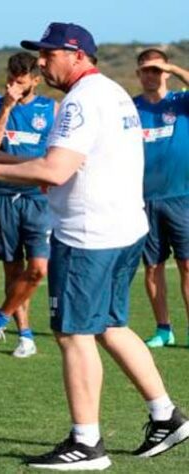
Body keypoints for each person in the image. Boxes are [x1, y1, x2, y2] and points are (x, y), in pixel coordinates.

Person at [0, 22, 189, 470]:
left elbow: (56, 172)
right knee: (110, 324)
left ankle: (87, 444)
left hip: (87, 235)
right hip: (123, 229)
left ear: (77, 55)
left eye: (49, 53)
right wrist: (6, 159)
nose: (41, 62)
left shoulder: (80, 101)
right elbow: (78, 162)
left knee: (73, 333)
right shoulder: (113, 92)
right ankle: (166, 415)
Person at [0, 52, 57, 358]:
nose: (13, 86)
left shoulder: (52, 108)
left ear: (35, 81)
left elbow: (52, 158)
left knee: (38, 269)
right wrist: (8, 107)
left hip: (39, 198)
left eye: (20, 82)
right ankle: (25, 337)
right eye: (10, 80)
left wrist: (18, 162)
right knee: (13, 270)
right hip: (3, 198)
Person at [132, 49, 189, 348]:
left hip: (182, 197)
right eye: (145, 70)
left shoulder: (181, 102)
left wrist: (174, 67)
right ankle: (163, 328)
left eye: (156, 69)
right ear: (138, 74)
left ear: (165, 72)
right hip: (144, 200)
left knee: (187, 264)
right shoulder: (130, 108)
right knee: (153, 266)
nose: (151, 75)